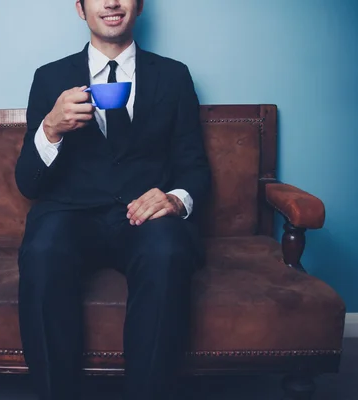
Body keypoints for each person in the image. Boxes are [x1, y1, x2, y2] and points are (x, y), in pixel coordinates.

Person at [14, 0, 211, 399]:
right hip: (69, 215)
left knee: (167, 249)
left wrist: (174, 199)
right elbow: (28, 184)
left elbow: (195, 167)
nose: (111, 3)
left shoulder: (174, 76)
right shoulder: (50, 78)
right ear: (80, 8)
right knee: (42, 247)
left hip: (143, 216)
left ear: (138, 6)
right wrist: (51, 129)